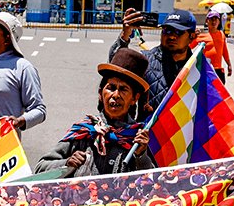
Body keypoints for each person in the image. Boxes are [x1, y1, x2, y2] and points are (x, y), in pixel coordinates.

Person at [34, 48, 153, 176]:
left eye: (123, 89)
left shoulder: (138, 138)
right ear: (101, 93)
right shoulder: (84, 131)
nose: (115, 95)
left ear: (134, 98)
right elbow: (41, 168)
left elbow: (153, 179)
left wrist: (141, 156)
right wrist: (67, 164)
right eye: (111, 88)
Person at [112, 8, 197, 108]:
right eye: (167, 30)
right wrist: (124, 35)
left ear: (192, 36)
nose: (171, 37)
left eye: (178, 32)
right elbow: (115, 72)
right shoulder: (145, 61)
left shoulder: (198, 67)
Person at [198, 11, 232, 81]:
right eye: (211, 19)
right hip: (205, 70)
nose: (214, 22)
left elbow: (224, 51)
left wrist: (229, 64)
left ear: (219, 22)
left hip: (218, 70)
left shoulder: (221, 34)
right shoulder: (201, 36)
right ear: (207, 21)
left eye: (216, 19)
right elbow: (188, 47)